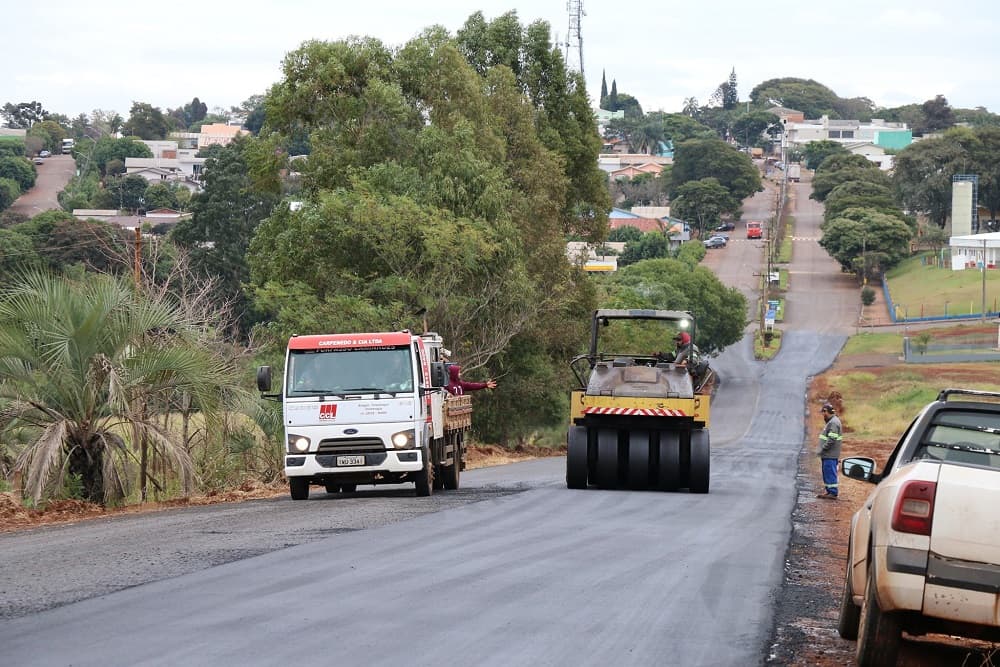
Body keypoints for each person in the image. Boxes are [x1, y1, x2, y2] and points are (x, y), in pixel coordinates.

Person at [817, 402, 843, 499]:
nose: (823, 415)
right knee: (827, 473)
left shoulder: (833, 422)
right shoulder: (832, 421)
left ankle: (833, 492)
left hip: (830, 454)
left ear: (826, 411)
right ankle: (829, 491)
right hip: (828, 454)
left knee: (830, 473)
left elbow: (832, 439)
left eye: (823, 412)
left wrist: (823, 448)